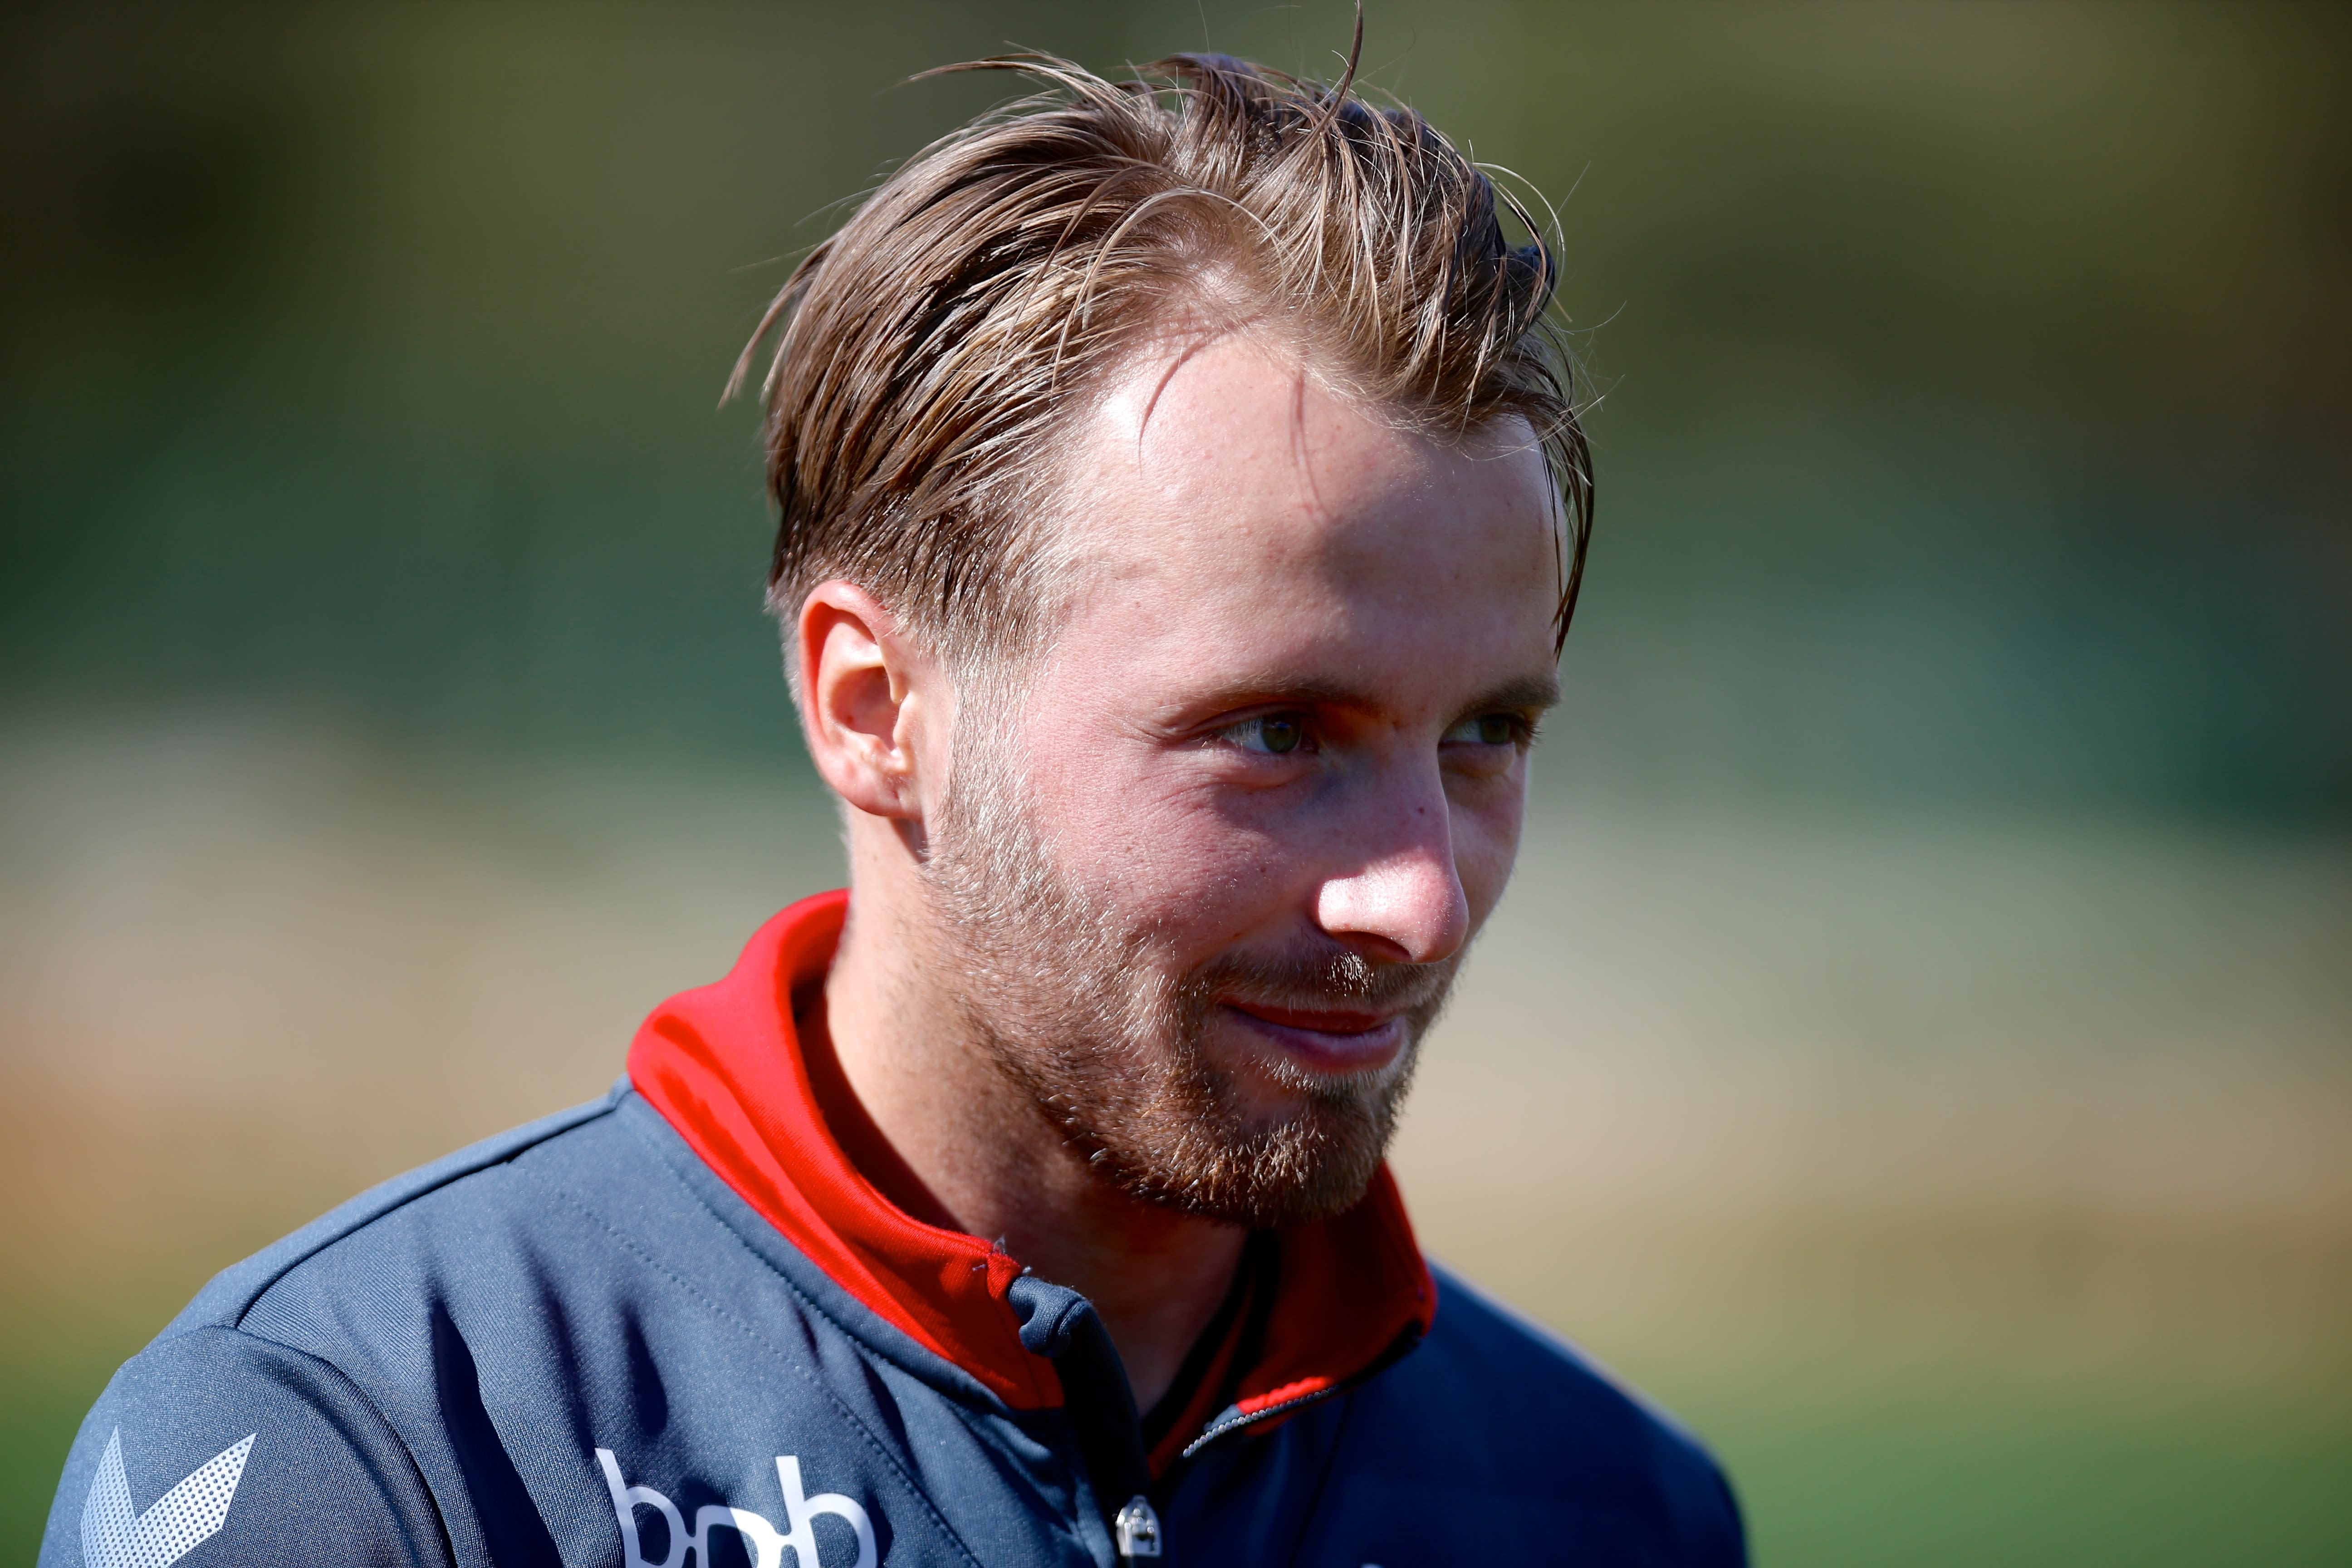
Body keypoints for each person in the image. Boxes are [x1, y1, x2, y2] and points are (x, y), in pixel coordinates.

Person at [44, 44, 1743, 1568]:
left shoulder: (1609, 1511)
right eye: (1279, 732)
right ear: (875, 710)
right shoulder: (380, 1450)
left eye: (1486, 735)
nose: (1421, 900)